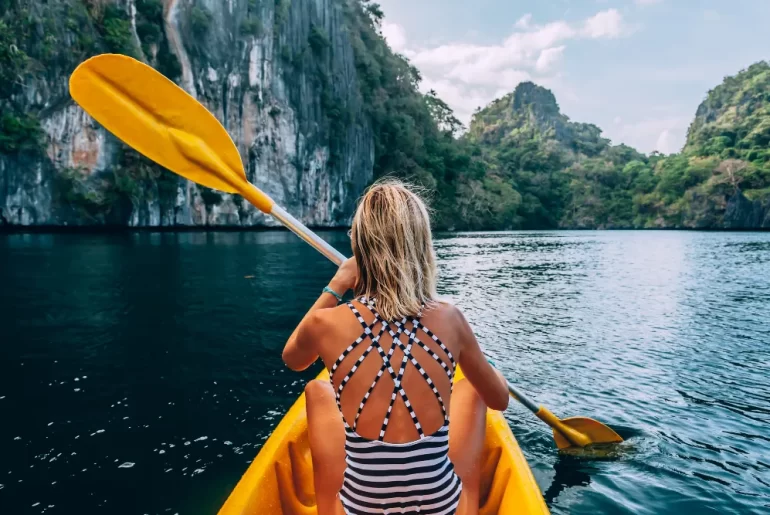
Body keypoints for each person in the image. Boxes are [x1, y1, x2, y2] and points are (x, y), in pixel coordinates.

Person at [282, 179, 509, 515]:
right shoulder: (450, 319)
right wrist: (491, 371)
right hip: (439, 506)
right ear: (421, 246)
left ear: (360, 251)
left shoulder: (324, 325)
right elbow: (499, 399)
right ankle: (468, 502)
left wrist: (337, 285)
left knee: (317, 390)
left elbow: (294, 359)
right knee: (474, 391)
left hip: (362, 508)